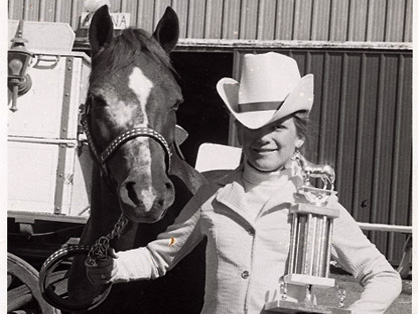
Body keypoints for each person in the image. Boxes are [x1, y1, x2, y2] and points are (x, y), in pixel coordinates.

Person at [86, 52, 402, 314]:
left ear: (300, 138)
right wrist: (114, 267)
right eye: (253, 127)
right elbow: (160, 255)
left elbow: (384, 276)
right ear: (240, 133)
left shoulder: (318, 206)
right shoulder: (212, 195)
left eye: (278, 127)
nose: (264, 138)